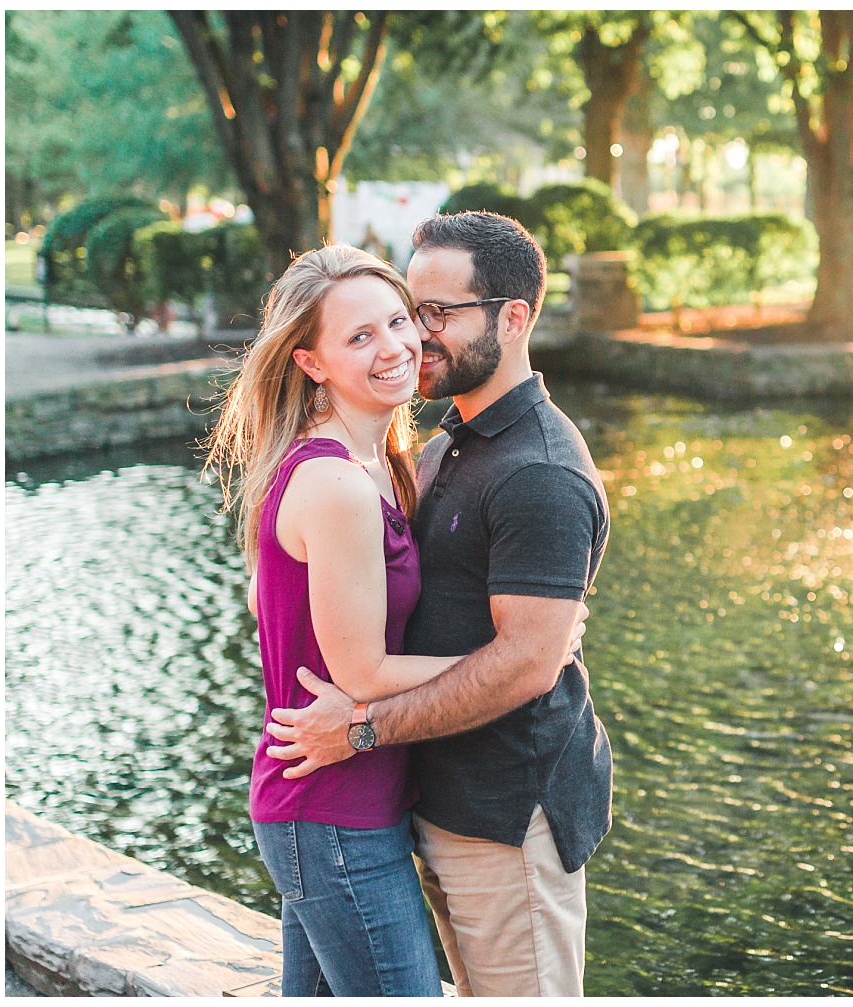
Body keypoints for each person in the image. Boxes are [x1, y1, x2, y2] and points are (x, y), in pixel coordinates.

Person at [205, 244, 585, 996]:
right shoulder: (340, 483)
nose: (398, 345)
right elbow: (361, 674)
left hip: (341, 804)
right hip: (333, 812)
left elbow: (269, 602)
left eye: (400, 319)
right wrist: (526, 653)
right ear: (311, 364)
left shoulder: (387, 459)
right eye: (359, 337)